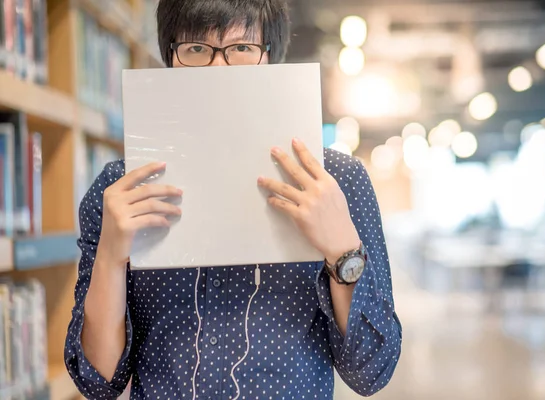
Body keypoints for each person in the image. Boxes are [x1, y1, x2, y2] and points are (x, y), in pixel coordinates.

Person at [64, 0, 402, 399]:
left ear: (271, 58)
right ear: (169, 60)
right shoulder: (122, 189)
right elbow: (97, 383)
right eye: (195, 50)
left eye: (241, 49)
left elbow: (372, 372)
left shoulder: (335, 181)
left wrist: (343, 252)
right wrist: (109, 257)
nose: (217, 70)